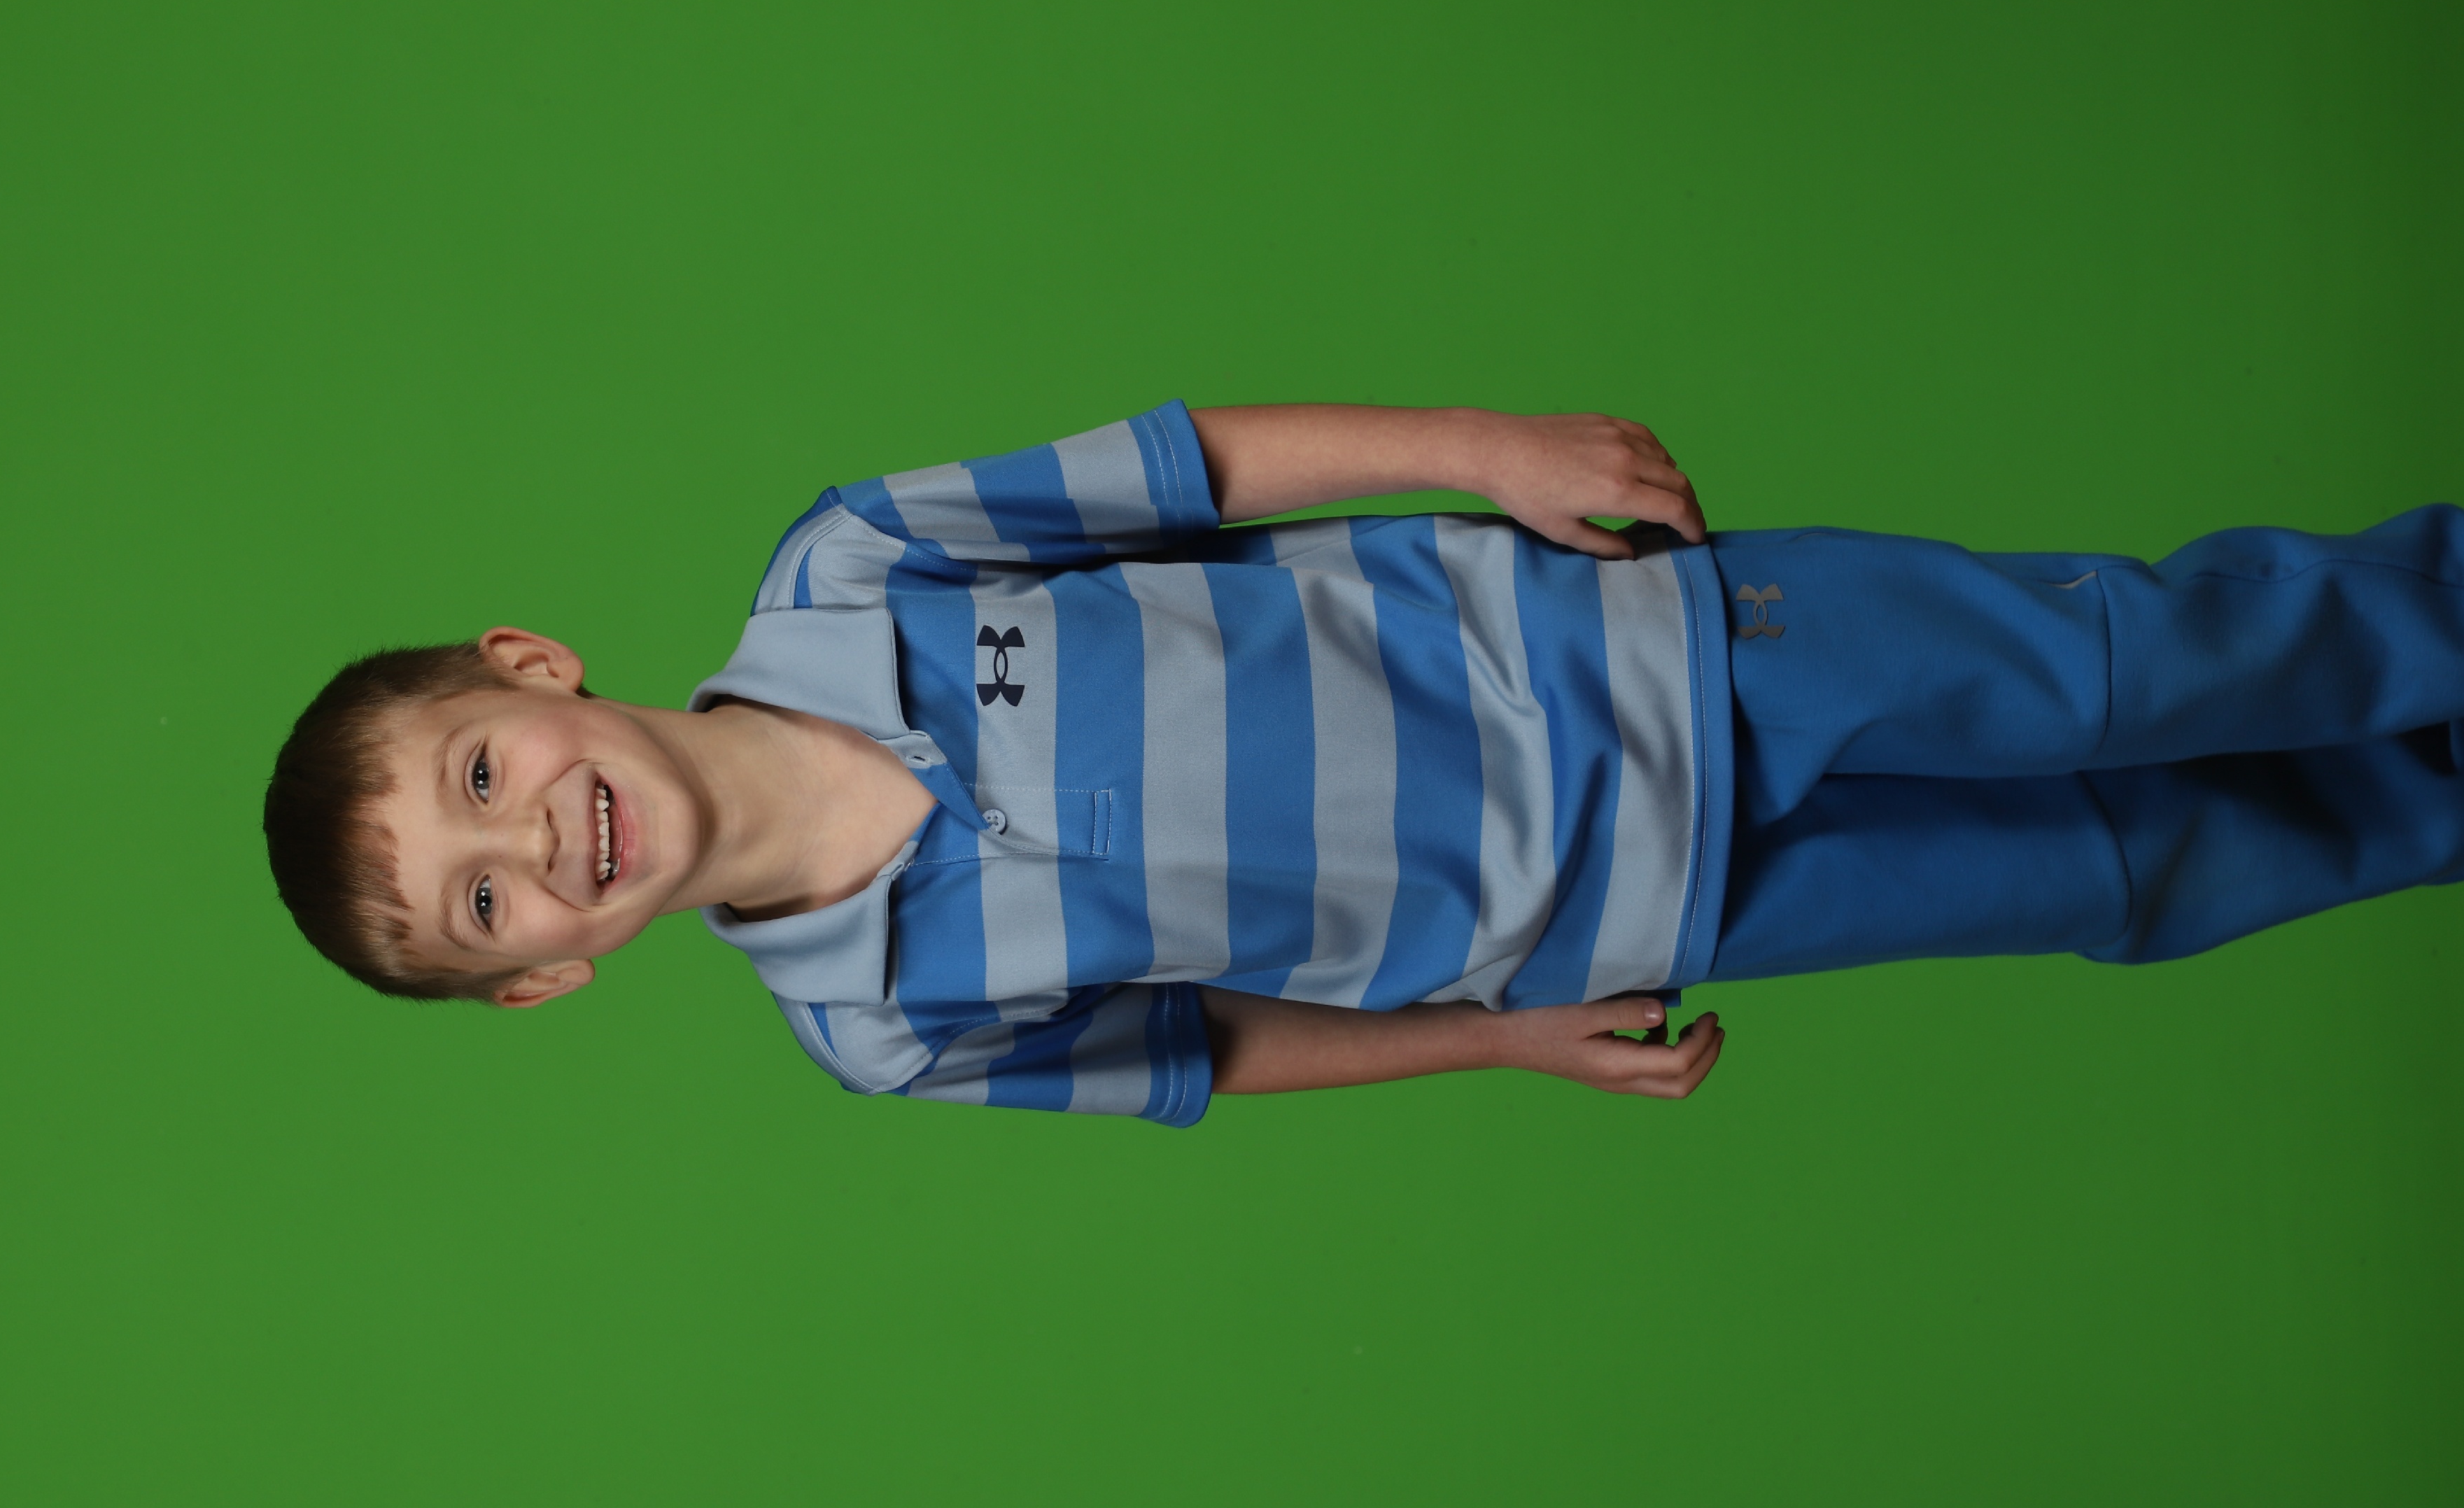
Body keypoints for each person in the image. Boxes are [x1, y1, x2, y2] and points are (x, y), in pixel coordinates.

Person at [261, 402, 2464, 1122]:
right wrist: (1504, 1037)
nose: (527, 840)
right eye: (485, 900)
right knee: (2121, 874)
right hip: (1636, 909)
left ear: (528, 667)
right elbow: (1209, 1048)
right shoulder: (884, 1029)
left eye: (480, 772)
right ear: (545, 974)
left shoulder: (858, 564)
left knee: (2126, 672)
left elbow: (1191, 466)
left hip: (1645, 654)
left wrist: (1480, 452)